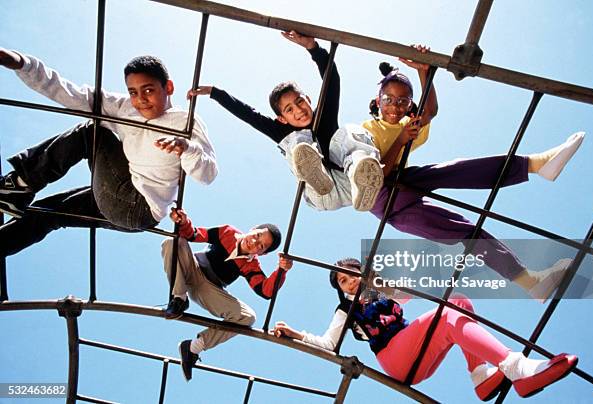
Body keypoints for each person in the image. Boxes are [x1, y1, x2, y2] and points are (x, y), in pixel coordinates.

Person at [364, 52, 584, 302]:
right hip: (381, 197)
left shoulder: (404, 125)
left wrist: (424, 70)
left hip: (402, 182)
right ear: (377, 101)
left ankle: (531, 281)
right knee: (458, 218)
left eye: (403, 102)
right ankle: (536, 166)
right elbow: (376, 174)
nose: (395, 106)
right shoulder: (367, 130)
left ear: (410, 105)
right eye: (388, 99)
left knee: (456, 186)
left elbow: (430, 111)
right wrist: (402, 139)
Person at [0, 49, 217, 257]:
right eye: (133, 92)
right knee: (50, 212)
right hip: (121, 199)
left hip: (140, 205)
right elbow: (72, 94)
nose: (141, 99)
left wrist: (186, 148)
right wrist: (22, 63)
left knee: (91, 132)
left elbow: (207, 174)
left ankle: (19, 185)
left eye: (148, 90)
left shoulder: (186, 122)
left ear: (168, 87)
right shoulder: (125, 109)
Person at [273, 258, 578, 401]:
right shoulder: (346, 310)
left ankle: (481, 378)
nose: (351, 281)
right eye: (343, 280)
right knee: (447, 315)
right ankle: (518, 367)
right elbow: (329, 344)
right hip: (394, 359)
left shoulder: (380, 289)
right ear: (340, 289)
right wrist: (297, 335)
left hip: (418, 356)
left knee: (460, 303)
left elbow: (414, 294)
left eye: (353, 273)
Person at [188, 30, 384, 212]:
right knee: (297, 144)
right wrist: (215, 93)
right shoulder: (281, 131)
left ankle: (361, 172)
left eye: (300, 102)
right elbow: (248, 114)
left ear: (308, 99)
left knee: (347, 132)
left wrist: (313, 47)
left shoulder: (324, 115)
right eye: (289, 109)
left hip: (351, 184)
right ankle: (314, 171)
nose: (299, 110)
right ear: (282, 118)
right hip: (323, 194)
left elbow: (332, 80)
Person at [163, 208, 293, 381]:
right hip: (191, 268)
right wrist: (183, 222)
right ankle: (179, 298)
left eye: (260, 246)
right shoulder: (227, 232)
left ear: (263, 253)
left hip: (208, 289)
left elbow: (265, 290)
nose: (254, 242)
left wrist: (281, 270)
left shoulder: (251, 265)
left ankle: (193, 347)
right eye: (257, 235)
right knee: (172, 242)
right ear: (253, 228)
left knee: (248, 317)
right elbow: (194, 234)